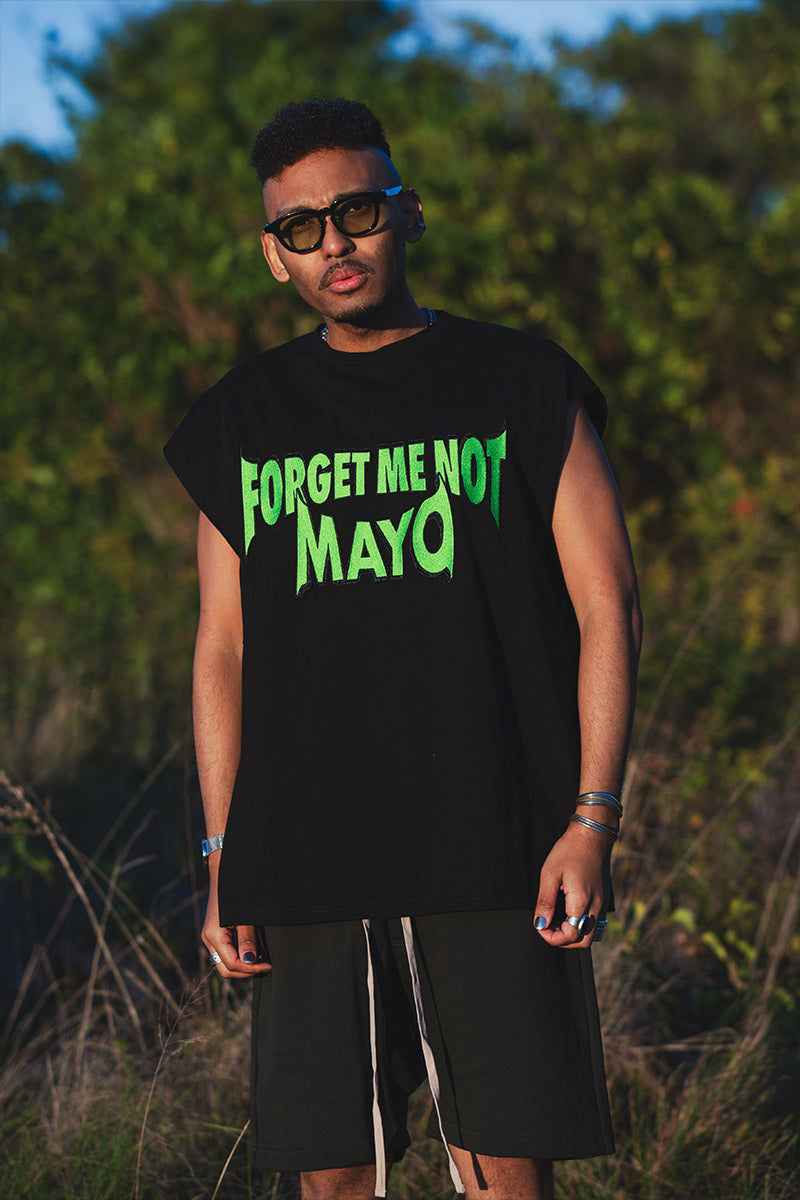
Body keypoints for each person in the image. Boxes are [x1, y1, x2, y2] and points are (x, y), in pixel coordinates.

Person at [164, 97, 642, 1200]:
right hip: (304, 859)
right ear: (274, 255)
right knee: (333, 1179)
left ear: (408, 212)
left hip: (494, 845)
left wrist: (592, 820)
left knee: (501, 1173)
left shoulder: (523, 382)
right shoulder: (242, 418)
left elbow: (608, 604)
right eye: (301, 226)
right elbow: (221, 649)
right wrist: (224, 856)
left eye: (358, 210)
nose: (334, 242)